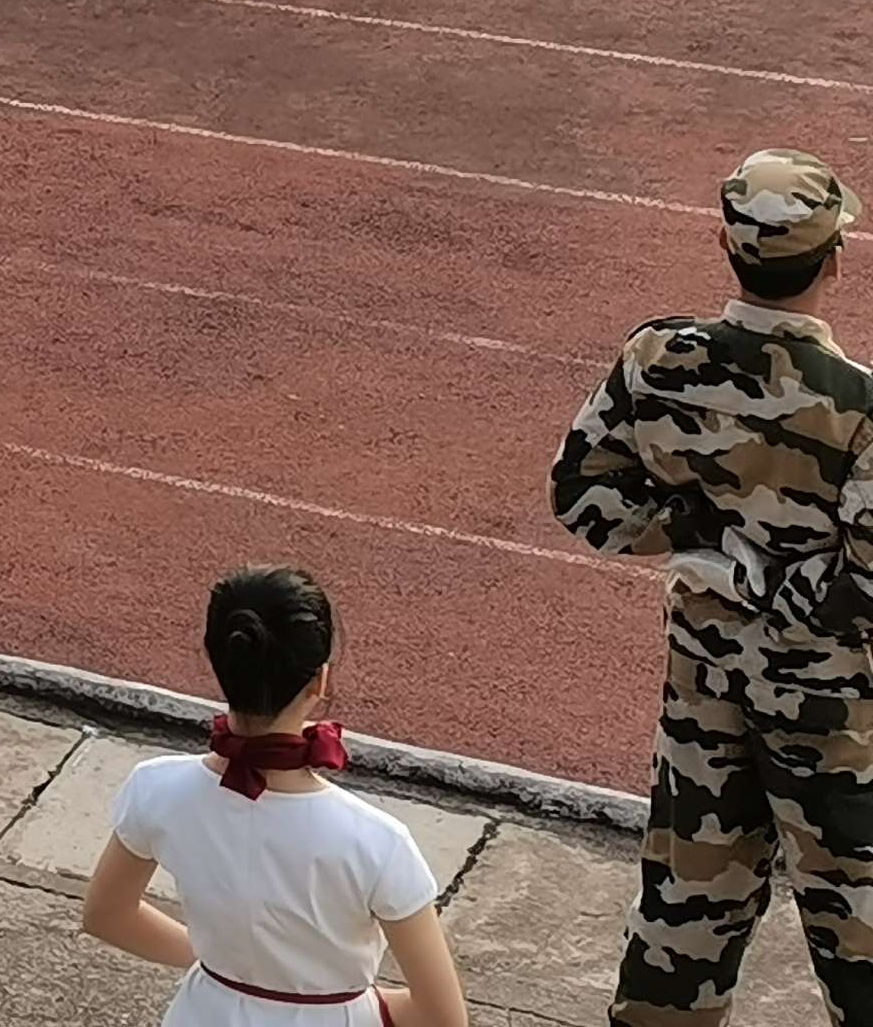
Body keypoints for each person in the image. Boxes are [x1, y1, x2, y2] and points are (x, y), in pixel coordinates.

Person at [554, 150, 873, 1027]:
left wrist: (703, 537)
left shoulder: (657, 360)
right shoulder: (857, 406)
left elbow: (584, 501)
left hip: (703, 684)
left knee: (685, 918)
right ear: (835, 260)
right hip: (831, 715)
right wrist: (789, 585)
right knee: (859, 929)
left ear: (726, 246)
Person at [79, 566, 465, 1027]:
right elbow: (443, 1017)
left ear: (216, 658)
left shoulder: (155, 789)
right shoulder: (377, 842)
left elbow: (106, 915)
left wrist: (227, 966)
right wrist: (353, 1004)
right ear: (319, 681)